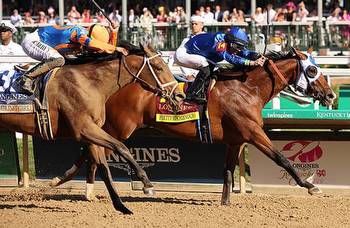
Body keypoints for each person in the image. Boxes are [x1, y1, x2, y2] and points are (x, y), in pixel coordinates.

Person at [13, 23, 129, 94]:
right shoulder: (79, 32)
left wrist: (114, 33)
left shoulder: (86, 37)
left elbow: (103, 52)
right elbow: (91, 43)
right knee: (59, 60)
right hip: (32, 41)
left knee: (63, 61)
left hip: (42, 44)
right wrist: (114, 47)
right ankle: (26, 78)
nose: (92, 50)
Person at [175, 27, 266, 104]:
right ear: (232, 43)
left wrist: (257, 55)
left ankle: (201, 92)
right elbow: (231, 59)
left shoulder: (230, 42)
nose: (239, 50)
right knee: (206, 67)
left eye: (240, 47)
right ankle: (192, 95)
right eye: (238, 47)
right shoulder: (219, 43)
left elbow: (244, 52)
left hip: (196, 53)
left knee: (211, 68)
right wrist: (251, 62)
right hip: (183, 54)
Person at [174, 15, 206, 81]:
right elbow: (180, 57)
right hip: (190, 77)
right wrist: (188, 74)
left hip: (206, 73)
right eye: (192, 24)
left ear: (202, 25)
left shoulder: (208, 39)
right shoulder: (186, 40)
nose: (193, 26)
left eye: (196, 24)